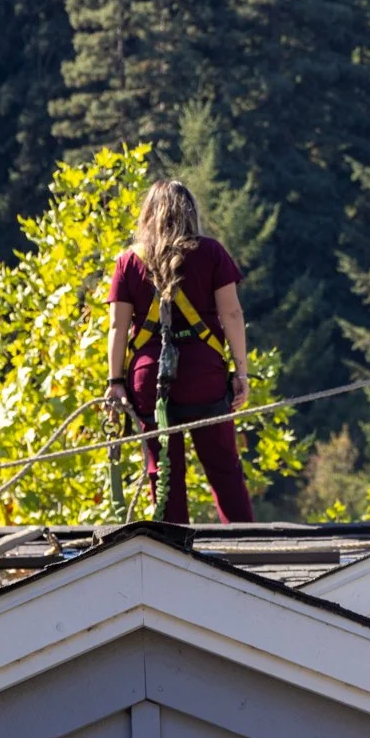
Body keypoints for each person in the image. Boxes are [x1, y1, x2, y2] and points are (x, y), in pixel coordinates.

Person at [105, 181, 255, 524]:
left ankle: (172, 553)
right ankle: (248, 545)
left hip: (150, 378)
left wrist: (115, 381)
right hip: (204, 374)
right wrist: (241, 373)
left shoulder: (129, 261)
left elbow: (117, 326)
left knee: (164, 473)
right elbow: (232, 313)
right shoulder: (212, 253)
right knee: (224, 469)